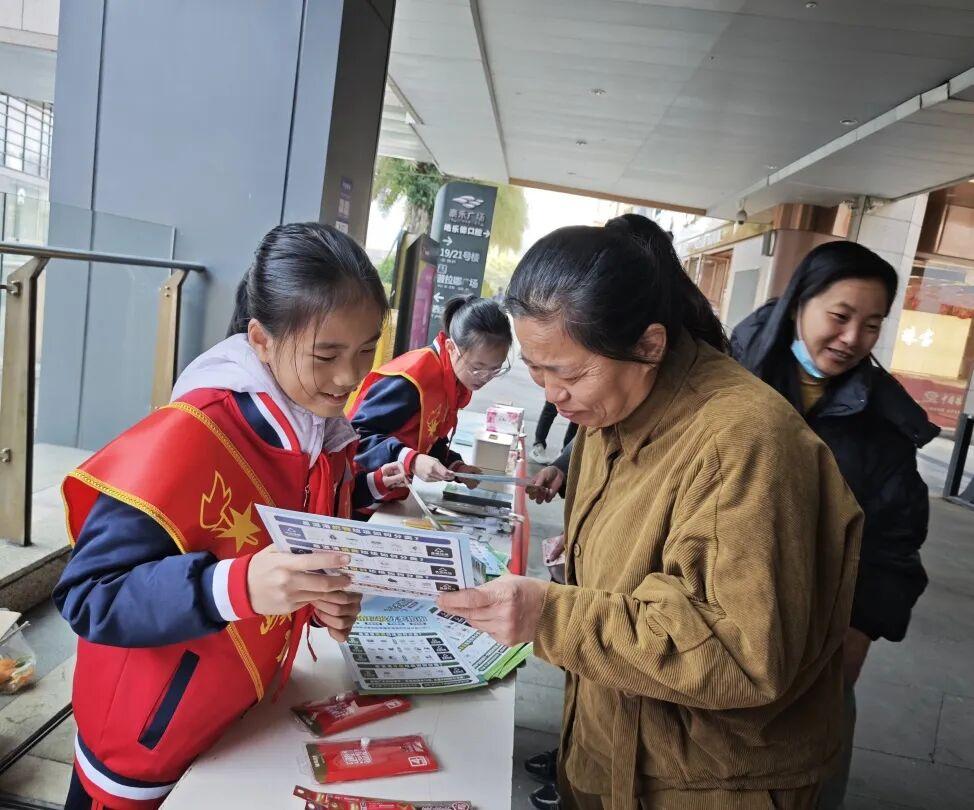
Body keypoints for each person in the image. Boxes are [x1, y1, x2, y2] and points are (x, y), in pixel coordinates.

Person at [439, 214, 864, 810]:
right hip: (610, 743)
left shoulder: (748, 443)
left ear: (649, 346)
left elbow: (740, 654)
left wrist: (549, 614)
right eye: (536, 371)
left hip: (704, 782)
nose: (552, 395)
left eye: (569, 373)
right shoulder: (611, 407)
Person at [53, 222, 393, 810]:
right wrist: (234, 587)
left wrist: (315, 600)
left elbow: (282, 560)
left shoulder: (321, 435)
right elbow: (88, 595)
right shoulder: (192, 432)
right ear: (260, 339)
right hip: (146, 749)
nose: (349, 376)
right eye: (326, 354)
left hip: (240, 726)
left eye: (367, 349)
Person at [730, 240, 938, 809]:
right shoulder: (726, 375)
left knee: (806, 786)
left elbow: (894, 542)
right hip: (708, 619)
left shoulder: (884, 423)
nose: (852, 338)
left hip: (813, 642)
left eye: (872, 325)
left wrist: (860, 632)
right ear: (800, 301)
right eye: (840, 316)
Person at [348, 295, 513, 514]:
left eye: (495, 369)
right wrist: (411, 460)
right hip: (356, 493)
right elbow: (357, 434)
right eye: (477, 367)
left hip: (388, 495)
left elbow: (430, 436)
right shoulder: (412, 379)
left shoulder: (453, 379)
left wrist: (455, 466)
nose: (484, 377)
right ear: (451, 348)